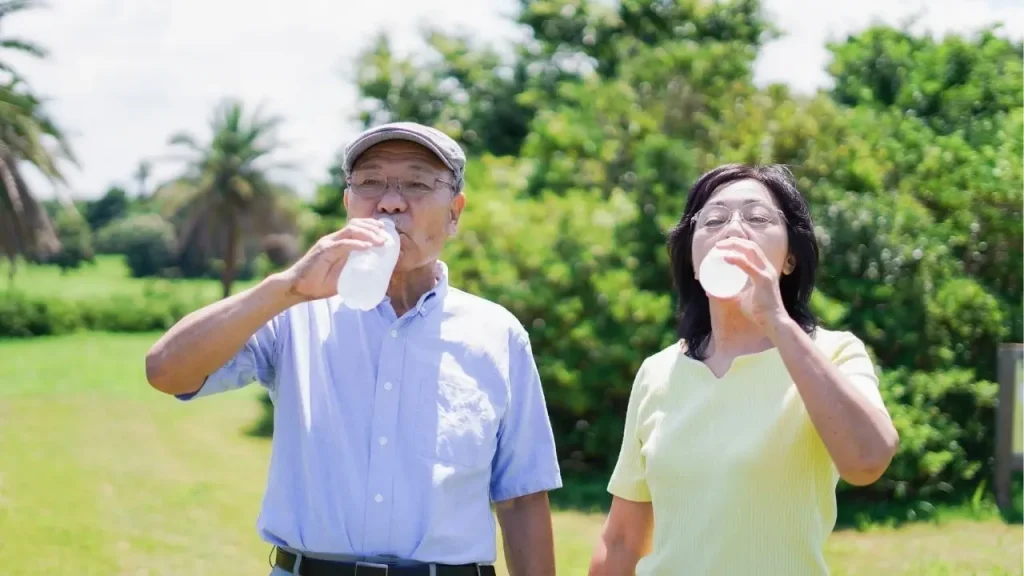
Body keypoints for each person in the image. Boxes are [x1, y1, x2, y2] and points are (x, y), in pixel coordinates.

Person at [145, 122, 562, 576]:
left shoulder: (496, 333)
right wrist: (286, 287)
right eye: (370, 182)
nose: (390, 202)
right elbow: (166, 371)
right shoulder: (296, 311)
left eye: (417, 184)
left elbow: (522, 498)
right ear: (348, 205)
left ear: (454, 213)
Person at [588, 164, 899, 576]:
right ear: (694, 260)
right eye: (713, 220)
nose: (733, 230)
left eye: (757, 218)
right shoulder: (657, 372)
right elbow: (622, 540)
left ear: (790, 258)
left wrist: (776, 321)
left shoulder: (833, 353)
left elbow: (868, 460)